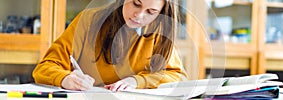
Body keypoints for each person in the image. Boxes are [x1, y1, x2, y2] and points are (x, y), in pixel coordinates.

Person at [32, 0, 187, 92]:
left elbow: (178, 77)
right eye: (136, 3)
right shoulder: (88, 21)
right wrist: (65, 78)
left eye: (151, 12)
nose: (139, 16)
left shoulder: (158, 32)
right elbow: (45, 67)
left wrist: (136, 81)